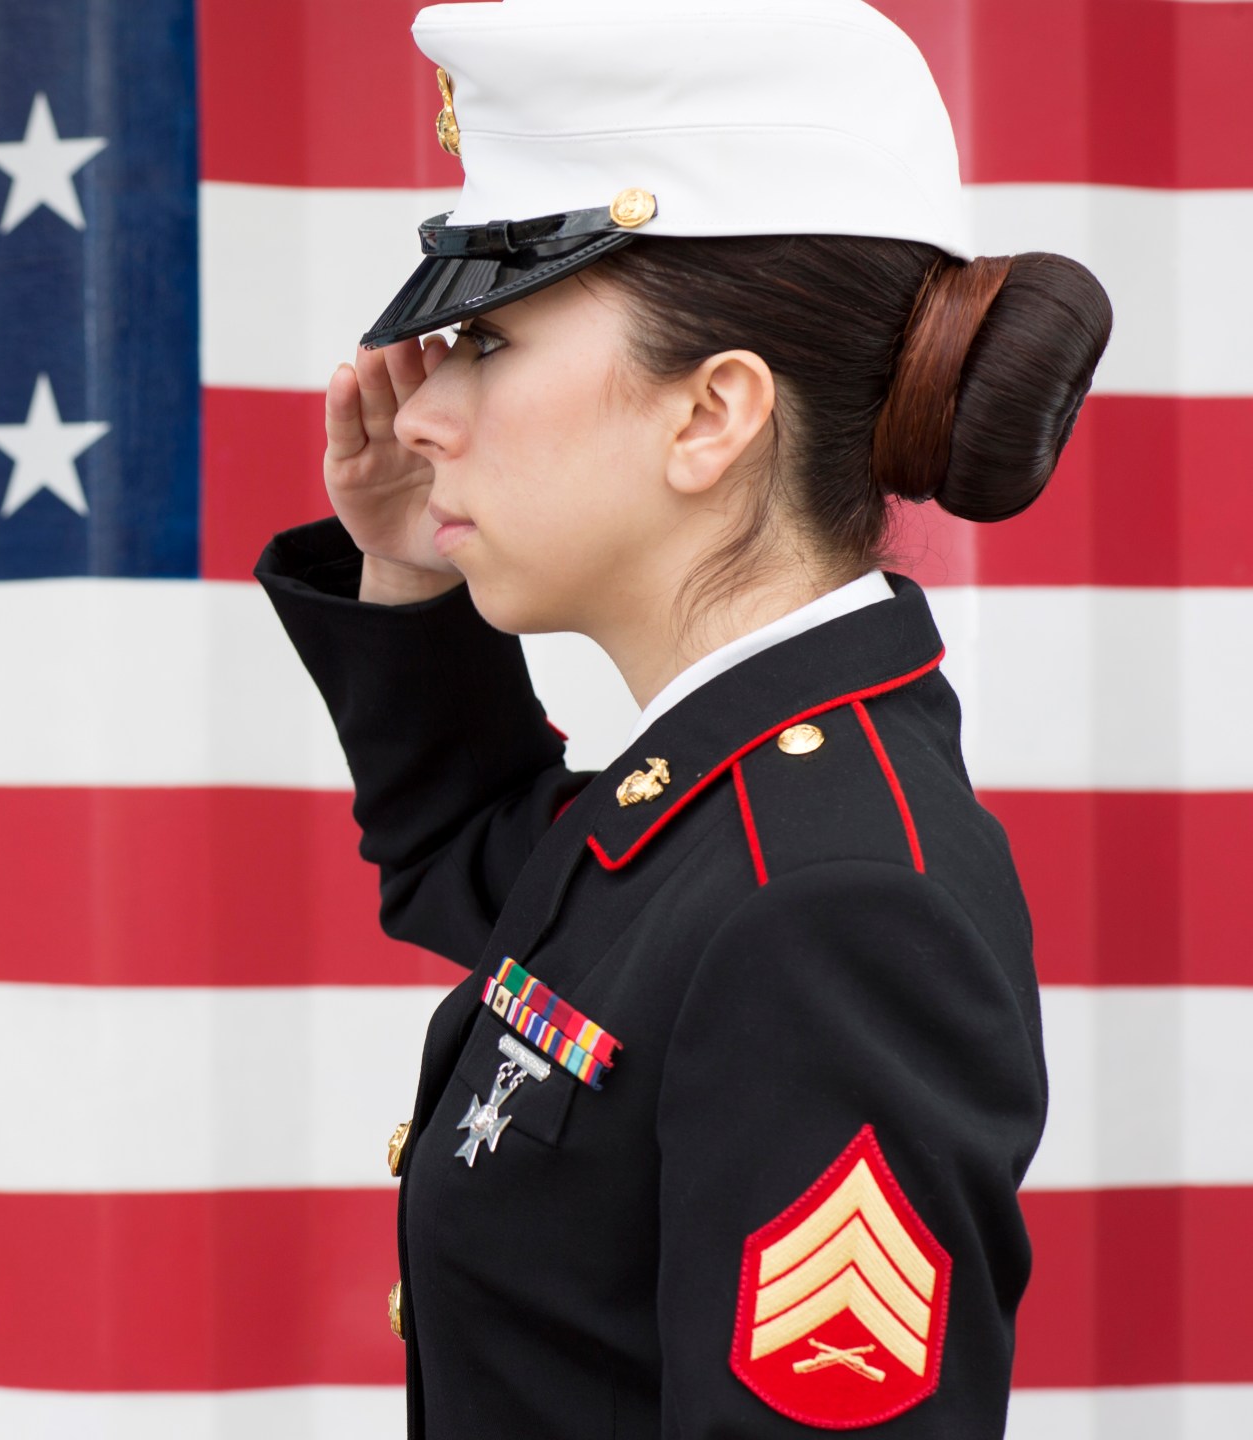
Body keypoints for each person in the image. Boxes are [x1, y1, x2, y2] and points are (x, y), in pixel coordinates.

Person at [252, 0, 1112, 1434]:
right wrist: (410, 568)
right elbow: (476, 855)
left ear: (710, 417)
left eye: (488, 342)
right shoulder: (719, 802)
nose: (417, 413)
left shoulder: (825, 910)